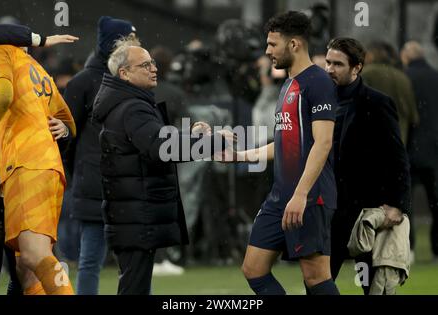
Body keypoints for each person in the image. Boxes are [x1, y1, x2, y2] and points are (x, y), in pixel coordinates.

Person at [92, 38, 230, 294]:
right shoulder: (132, 107)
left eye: (152, 62)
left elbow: (153, 140)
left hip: (132, 213)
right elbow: (163, 148)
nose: (153, 68)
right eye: (144, 65)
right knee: (134, 288)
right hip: (136, 214)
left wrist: (191, 135)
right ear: (125, 73)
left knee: (136, 286)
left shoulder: (128, 103)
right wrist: (212, 142)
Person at [228, 11, 339, 295]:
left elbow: (323, 143)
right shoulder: (288, 83)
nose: (267, 51)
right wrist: (241, 155)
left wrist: (301, 195)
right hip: (281, 196)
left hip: (310, 196)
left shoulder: (318, 82)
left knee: (315, 277)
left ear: (294, 45)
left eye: (272, 44)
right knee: (253, 269)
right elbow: (284, 143)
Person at [0, 35, 77, 294]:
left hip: (23, 167)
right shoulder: (35, 68)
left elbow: (2, 97)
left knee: (34, 256)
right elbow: (67, 118)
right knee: (26, 269)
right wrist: (65, 131)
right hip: (45, 168)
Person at [324, 37, 411, 294]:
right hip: (331, 210)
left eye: (337, 64)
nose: (329, 69)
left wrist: (398, 205)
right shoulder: (320, 103)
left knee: (374, 287)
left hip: (366, 210)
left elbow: (398, 157)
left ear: (357, 67)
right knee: (318, 283)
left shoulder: (377, 102)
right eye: (328, 62)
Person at [63, 15, 137, 295]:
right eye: (127, 39)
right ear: (112, 45)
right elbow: (66, 134)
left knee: (119, 261)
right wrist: (79, 171)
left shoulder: (92, 81)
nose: (134, 45)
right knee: (109, 260)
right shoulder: (84, 83)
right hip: (101, 180)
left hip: (106, 179)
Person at [401, 41, 438, 261]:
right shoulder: (435, 77)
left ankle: (409, 247)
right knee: (436, 202)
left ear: (407, 56)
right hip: (434, 151)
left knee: (407, 203)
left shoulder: (405, 78)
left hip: (410, 148)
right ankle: (436, 249)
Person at [361, 41, 419, 145]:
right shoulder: (403, 77)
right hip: (398, 141)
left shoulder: (366, 73)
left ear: (370, 55)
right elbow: (413, 116)